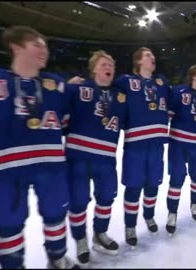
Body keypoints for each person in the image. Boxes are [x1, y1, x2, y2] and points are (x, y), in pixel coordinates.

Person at [0, 26, 79, 269]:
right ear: (16, 47)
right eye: (37, 44)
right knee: (9, 223)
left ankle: (58, 258)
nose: (44, 50)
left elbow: (67, 120)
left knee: (55, 215)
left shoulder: (57, 85)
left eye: (45, 46)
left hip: (51, 165)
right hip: (7, 168)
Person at [64, 51, 126, 264]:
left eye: (111, 64)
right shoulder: (78, 88)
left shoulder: (121, 95)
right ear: (93, 69)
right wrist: (66, 86)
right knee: (78, 201)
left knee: (107, 198)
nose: (109, 67)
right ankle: (80, 238)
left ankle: (100, 234)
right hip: (78, 157)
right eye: (103, 64)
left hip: (106, 158)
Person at [112, 47, 170, 248]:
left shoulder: (162, 82)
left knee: (153, 184)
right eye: (147, 55)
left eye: (153, 55)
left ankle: (149, 216)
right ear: (138, 61)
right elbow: (104, 90)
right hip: (135, 145)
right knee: (134, 186)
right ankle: (130, 226)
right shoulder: (125, 81)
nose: (152, 58)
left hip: (156, 145)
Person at [165, 64, 196, 235]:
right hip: (179, 144)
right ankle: (172, 213)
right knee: (177, 179)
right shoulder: (178, 92)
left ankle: (194, 204)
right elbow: (168, 116)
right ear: (193, 76)